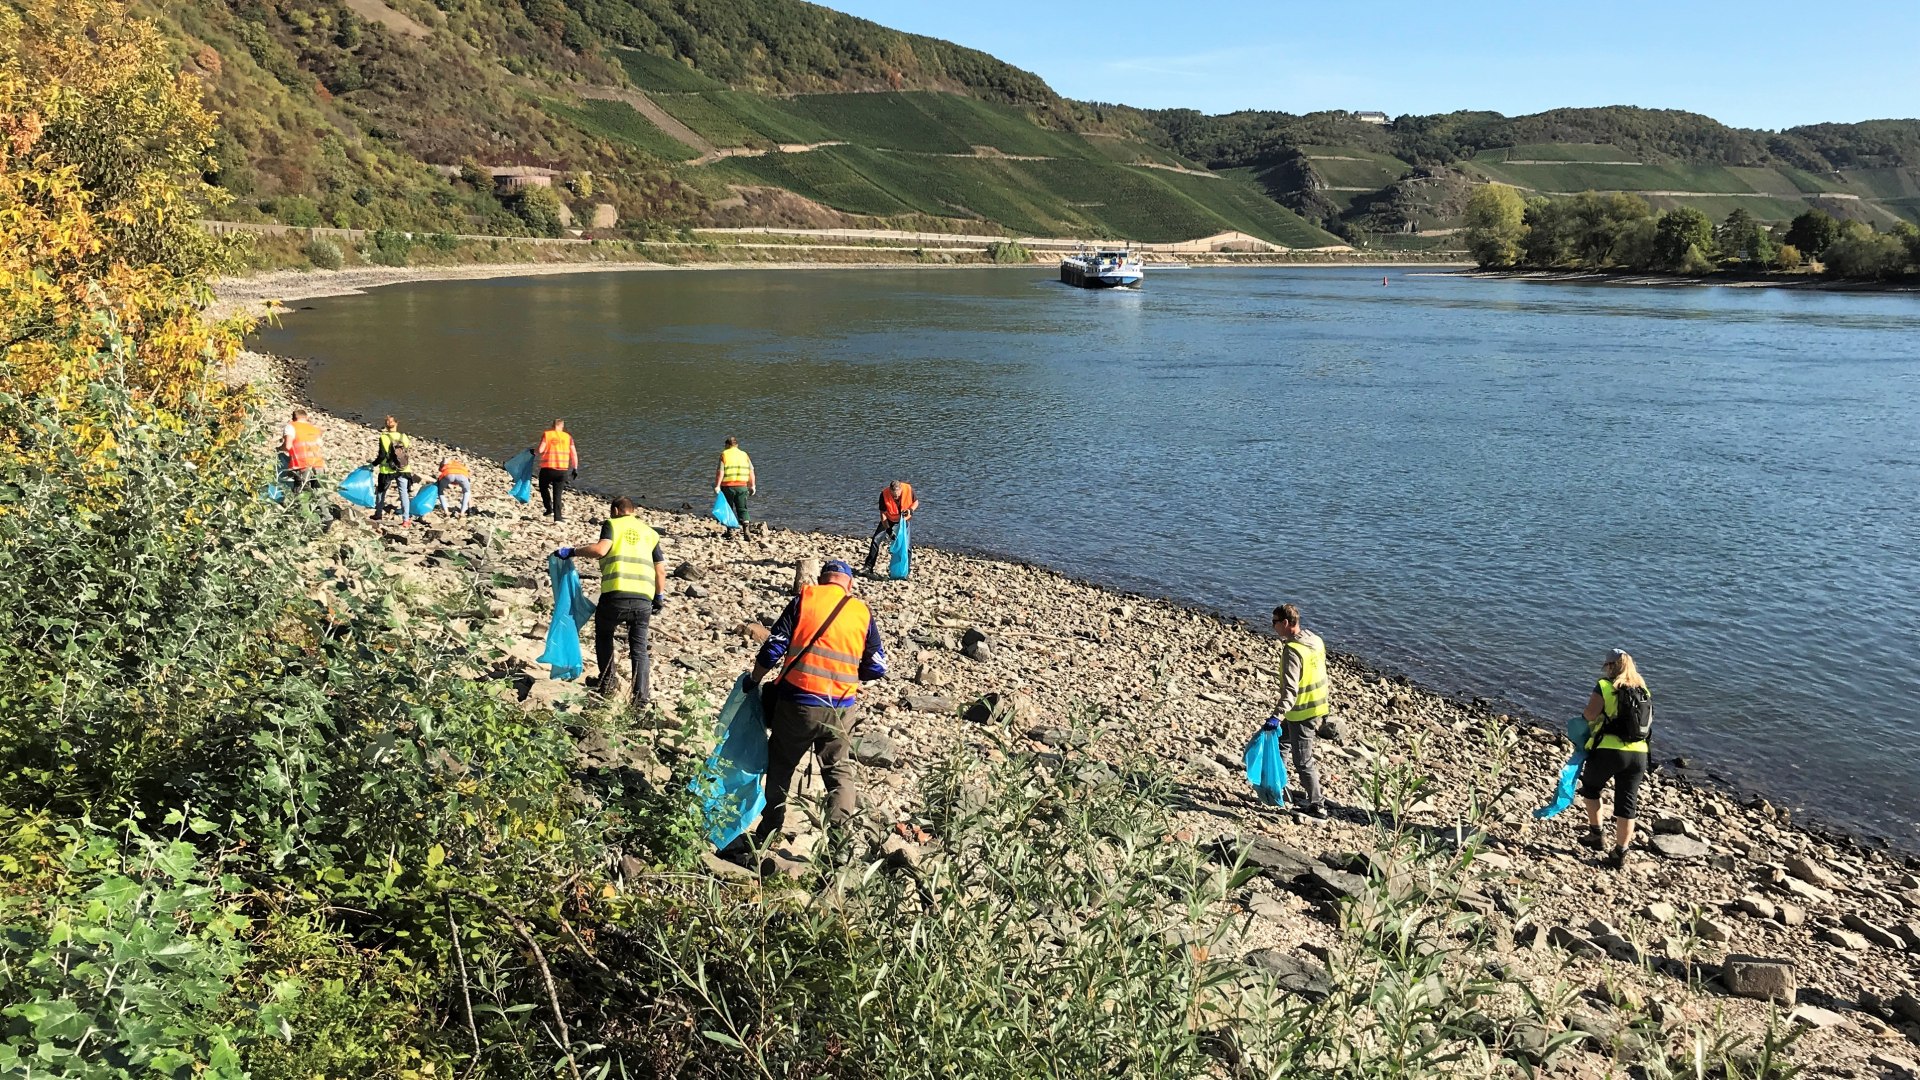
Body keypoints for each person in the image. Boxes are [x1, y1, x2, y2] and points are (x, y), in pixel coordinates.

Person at [747, 559, 886, 851]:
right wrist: (850, 675)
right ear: (849, 585)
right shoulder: (861, 612)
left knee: (782, 764)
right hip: (842, 707)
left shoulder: (805, 599)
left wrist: (754, 679)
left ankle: (770, 829)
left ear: (822, 580)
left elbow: (774, 647)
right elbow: (877, 666)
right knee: (838, 770)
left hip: (799, 703)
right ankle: (839, 845)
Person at [555, 497, 665, 707]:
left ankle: (607, 683)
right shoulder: (650, 533)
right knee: (639, 648)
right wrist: (659, 597)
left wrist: (572, 551)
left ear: (615, 510)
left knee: (604, 634)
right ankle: (641, 700)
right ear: (633, 511)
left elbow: (600, 550)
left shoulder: (612, 525)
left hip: (616, 594)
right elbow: (660, 570)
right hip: (643, 598)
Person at [1579, 649, 1653, 868]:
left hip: (1610, 750)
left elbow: (1590, 714)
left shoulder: (1605, 686)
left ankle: (1597, 834)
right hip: (1639, 753)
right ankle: (1620, 852)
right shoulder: (1643, 690)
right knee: (1627, 803)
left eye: (1606, 665)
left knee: (1591, 788)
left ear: (1612, 666)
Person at [1256, 603, 1329, 818]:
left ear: (1286, 623)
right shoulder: (1315, 640)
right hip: (1317, 705)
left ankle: (1317, 805)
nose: (1273, 626)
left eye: (1275, 622)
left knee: (1303, 760)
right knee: (1281, 744)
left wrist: (1276, 717)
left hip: (1302, 711)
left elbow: (1290, 691)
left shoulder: (1293, 651)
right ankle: (1278, 788)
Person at [862, 480, 920, 575]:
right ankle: (868, 567)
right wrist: (889, 530)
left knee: (907, 546)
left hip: (904, 520)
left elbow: (916, 502)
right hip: (888, 519)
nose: (895, 497)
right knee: (875, 540)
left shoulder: (908, 489)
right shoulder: (884, 494)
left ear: (901, 490)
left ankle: (905, 570)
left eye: (897, 495)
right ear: (890, 490)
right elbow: (883, 515)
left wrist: (910, 510)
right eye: (893, 495)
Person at [370, 415, 413, 525]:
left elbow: (382, 455)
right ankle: (406, 520)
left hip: (387, 470)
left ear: (386, 425)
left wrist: (373, 464)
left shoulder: (384, 437)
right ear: (397, 423)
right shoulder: (404, 437)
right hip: (403, 468)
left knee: (381, 492)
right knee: (403, 493)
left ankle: (378, 514)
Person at [534, 420, 578, 523]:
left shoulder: (547, 434)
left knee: (543, 487)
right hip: (562, 470)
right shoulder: (568, 437)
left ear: (553, 425)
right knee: (557, 494)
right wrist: (575, 468)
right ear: (562, 426)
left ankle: (549, 508)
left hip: (548, 469)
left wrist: (532, 452)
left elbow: (540, 450)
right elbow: (574, 454)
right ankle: (558, 517)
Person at [714, 436, 755, 539]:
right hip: (742, 486)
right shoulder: (744, 455)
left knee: (728, 508)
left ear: (727, 445)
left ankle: (730, 531)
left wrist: (717, 486)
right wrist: (752, 485)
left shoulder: (724, 454)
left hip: (728, 486)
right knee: (743, 508)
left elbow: (720, 472)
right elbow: (751, 471)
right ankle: (746, 530)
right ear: (737, 445)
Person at [277, 408, 324, 495]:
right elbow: (320, 444)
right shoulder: (314, 428)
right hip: (318, 464)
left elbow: (287, 446)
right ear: (306, 418)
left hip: (302, 465)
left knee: (301, 494)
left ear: (293, 418)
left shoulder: (291, 426)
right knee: (319, 495)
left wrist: (279, 449)